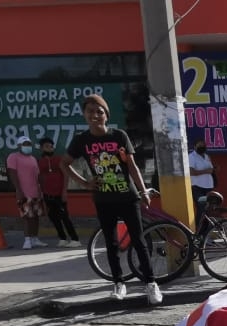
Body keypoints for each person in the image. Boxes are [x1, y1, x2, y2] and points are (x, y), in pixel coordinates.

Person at [61, 94, 162, 304]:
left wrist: (143, 191)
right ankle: (119, 283)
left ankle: (151, 284)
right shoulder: (82, 140)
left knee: (139, 241)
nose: (95, 115)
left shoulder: (118, 136)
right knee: (111, 242)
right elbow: (64, 164)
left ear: (106, 115)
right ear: (84, 115)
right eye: (90, 111)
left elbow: (132, 166)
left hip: (128, 197)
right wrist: (86, 183)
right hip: (103, 199)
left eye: (100, 111)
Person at [37, 137, 79, 248]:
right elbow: (40, 178)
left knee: (64, 216)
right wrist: (42, 192)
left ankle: (75, 239)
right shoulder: (40, 162)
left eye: (51, 146)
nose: (50, 148)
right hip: (47, 193)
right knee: (53, 217)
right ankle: (62, 238)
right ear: (41, 148)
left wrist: (64, 191)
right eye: (47, 146)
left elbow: (66, 175)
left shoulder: (60, 159)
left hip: (59, 193)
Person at [7, 136, 44, 250]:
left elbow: (37, 176)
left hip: (35, 192)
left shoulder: (33, 159)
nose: (27, 146)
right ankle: (27, 240)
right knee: (27, 217)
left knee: (36, 216)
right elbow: (12, 174)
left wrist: (40, 190)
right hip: (24, 192)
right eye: (25, 144)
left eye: (29, 144)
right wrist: (18, 189)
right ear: (19, 146)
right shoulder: (13, 157)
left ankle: (35, 239)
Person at [188, 138, 216, 219]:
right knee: (201, 208)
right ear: (195, 146)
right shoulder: (191, 157)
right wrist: (206, 171)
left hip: (208, 187)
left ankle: (206, 229)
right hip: (197, 187)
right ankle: (199, 229)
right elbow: (191, 172)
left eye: (203, 145)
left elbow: (210, 169)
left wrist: (214, 169)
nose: (202, 146)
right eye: (199, 145)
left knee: (209, 209)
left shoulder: (206, 156)